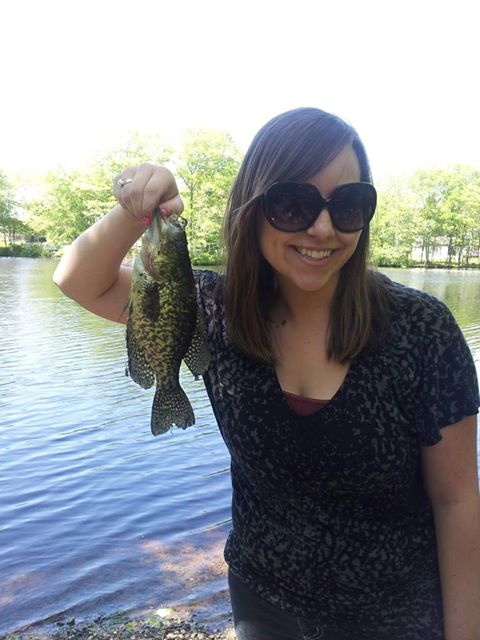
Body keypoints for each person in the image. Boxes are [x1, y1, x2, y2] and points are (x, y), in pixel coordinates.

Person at [53, 107, 480, 640]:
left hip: (394, 615)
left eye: (348, 205)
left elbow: (458, 501)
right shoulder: (210, 310)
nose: (322, 227)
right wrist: (136, 211)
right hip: (262, 601)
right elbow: (78, 280)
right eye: (293, 204)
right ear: (253, 207)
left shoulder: (421, 331)